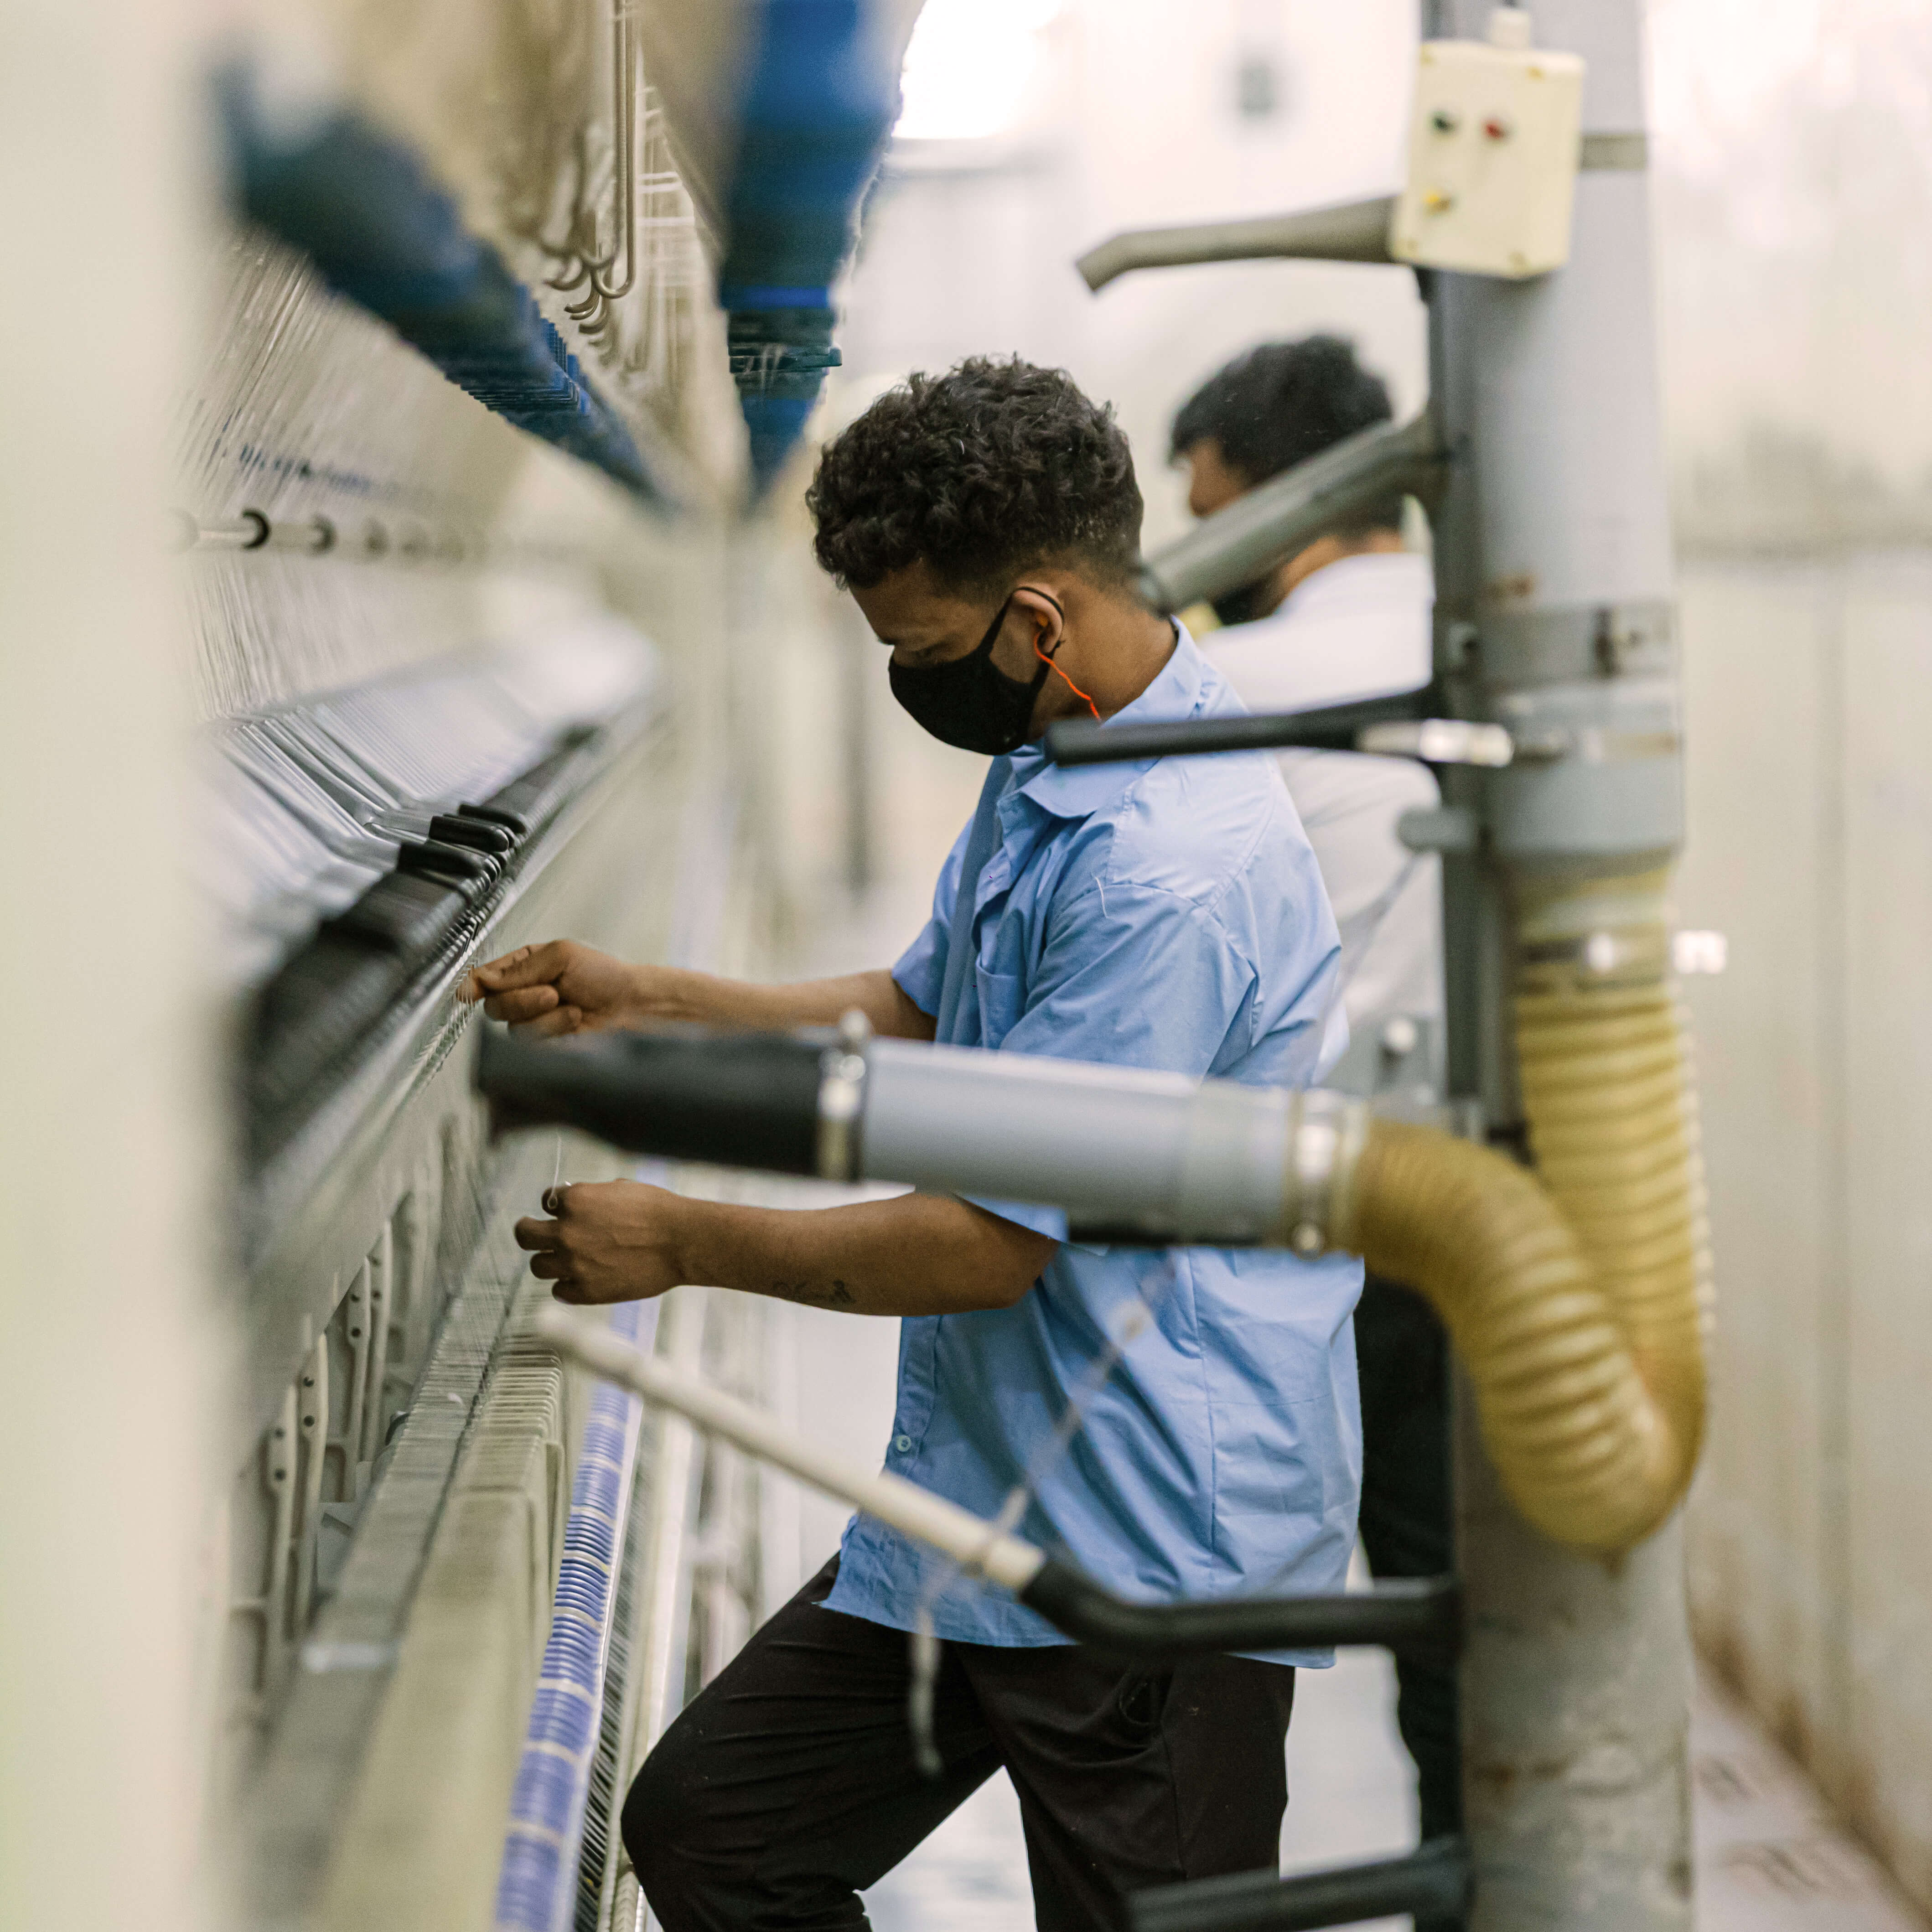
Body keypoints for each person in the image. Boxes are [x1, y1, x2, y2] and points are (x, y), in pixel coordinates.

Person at [466, 356, 1364, 1931]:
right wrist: (646, 1001)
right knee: (717, 1830)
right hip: (991, 1507)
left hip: (1145, 1555)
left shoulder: (1174, 873)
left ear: (1036, 619)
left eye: (921, 649)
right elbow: (926, 1009)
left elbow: (989, 1242)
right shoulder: (1066, 750)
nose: (908, 680)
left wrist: (682, 1243)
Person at [1172, 335, 1461, 1889]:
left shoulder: (1234, 684)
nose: (1202, 562)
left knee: (1212, 1655)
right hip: (1484, 1228)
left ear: (1284, 502)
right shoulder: (1491, 642)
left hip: (1273, 1235)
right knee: (1462, 1636)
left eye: (1209, 516)